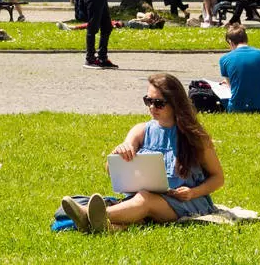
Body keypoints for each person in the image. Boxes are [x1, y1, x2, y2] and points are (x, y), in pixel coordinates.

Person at [65, 73, 223, 232]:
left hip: (187, 203)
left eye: (159, 103)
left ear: (175, 103)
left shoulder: (194, 137)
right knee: (142, 200)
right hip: (145, 198)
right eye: (148, 101)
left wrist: (193, 192)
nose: (152, 107)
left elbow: (218, 177)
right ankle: (107, 227)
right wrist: (119, 153)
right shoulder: (141, 131)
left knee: (144, 199)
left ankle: (87, 215)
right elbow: (110, 170)